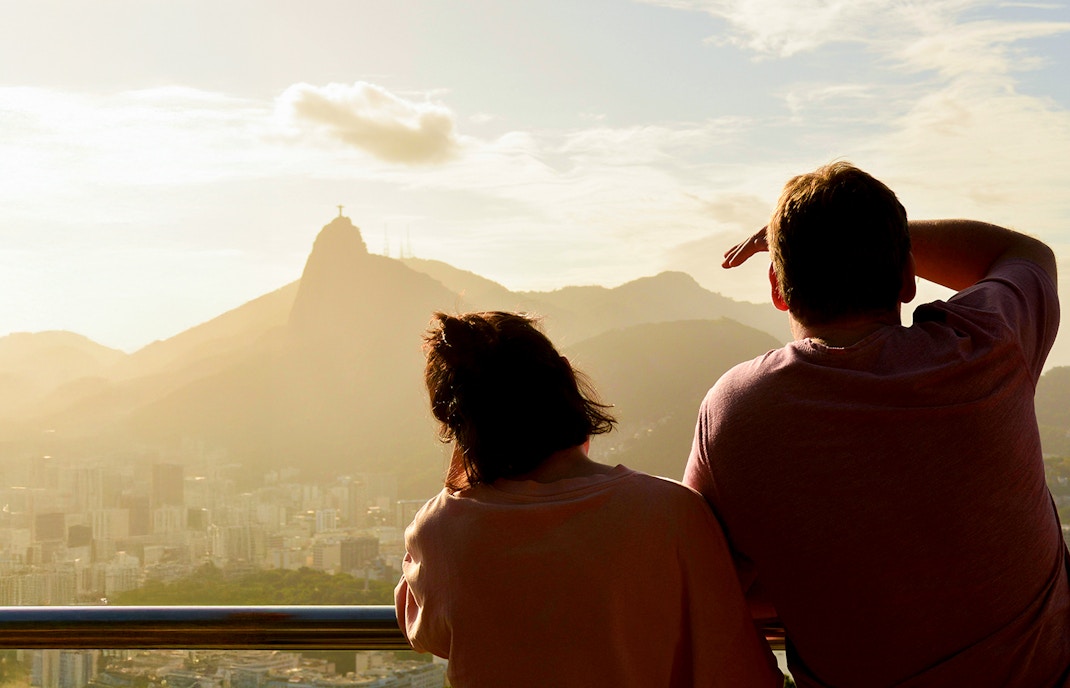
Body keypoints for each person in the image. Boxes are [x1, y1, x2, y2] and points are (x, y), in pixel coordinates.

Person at [684, 161, 1068, 687]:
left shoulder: (736, 409)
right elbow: (1029, 255)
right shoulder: (987, 347)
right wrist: (870, 237)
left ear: (778, 287)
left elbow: (710, 579)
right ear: (907, 277)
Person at [395, 311, 781, 688]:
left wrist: (461, 474)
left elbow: (426, 634)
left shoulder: (440, 530)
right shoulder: (670, 512)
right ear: (564, 375)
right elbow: (739, 670)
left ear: (455, 423)